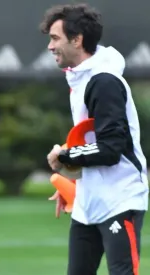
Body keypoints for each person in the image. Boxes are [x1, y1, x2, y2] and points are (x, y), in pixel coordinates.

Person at [41, 3, 148, 275]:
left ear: (77, 40)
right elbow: (90, 139)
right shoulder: (79, 79)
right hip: (88, 204)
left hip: (120, 200)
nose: (50, 47)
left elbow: (111, 148)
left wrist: (64, 158)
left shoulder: (103, 81)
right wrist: (70, 177)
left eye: (55, 38)